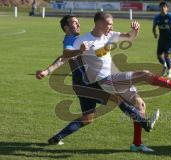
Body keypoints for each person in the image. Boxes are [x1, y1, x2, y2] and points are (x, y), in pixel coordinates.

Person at [36, 15, 159, 152]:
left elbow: (82, 54)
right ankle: (144, 123)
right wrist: (48, 71)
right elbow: (65, 55)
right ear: (66, 27)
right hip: (86, 84)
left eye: (78, 22)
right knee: (117, 99)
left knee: (88, 118)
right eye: (74, 23)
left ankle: (57, 137)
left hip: (83, 85)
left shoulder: (78, 39)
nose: (78, 25)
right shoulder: (71, 40)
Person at [66, 12, 171, 120]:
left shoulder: (110, 35)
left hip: (113, 78)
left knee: (140, 104)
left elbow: (129, 37)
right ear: (99, 24)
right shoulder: (83, 40)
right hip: (105, 80)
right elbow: (66, 54)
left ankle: (137, 144)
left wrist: (135, 30)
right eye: (109, 24)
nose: (111, 27)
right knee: (144, 74)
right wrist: (80, 50)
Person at [152, 1, 171, 78]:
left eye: (164, 7)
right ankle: (164, 66)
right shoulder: (157, 17)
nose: (162, 8)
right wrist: (154, 33)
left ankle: (169, 71)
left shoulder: (170, 16)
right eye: (161, 7)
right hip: (161, 39)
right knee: (159, 56)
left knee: (166, 56)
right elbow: (154, 27)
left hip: (169, 39)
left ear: (167, 8)